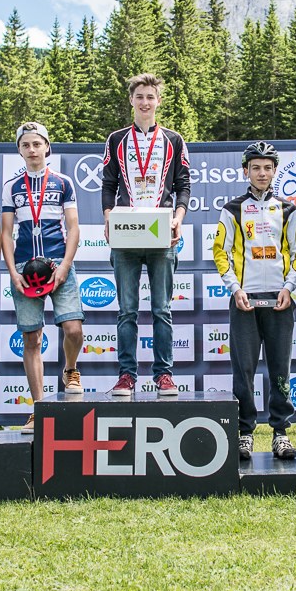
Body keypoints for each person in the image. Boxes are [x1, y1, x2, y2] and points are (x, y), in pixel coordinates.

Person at [212, 141, 296, 461]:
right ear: (246, 171)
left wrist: (289, 287)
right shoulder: (232, 209)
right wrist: (235, 288)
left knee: (280, 370)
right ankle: (245, 433)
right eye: (256, 168)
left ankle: (280, 433)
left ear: (275, 171)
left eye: (267, 167)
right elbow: (220, 252)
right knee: (244, 372)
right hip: (245, 302)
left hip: (279, 300)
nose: (262, 173)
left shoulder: (288, 209)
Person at [100, 73, 190, 396]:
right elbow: (108, 184)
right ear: (131, 100)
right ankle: (127, 375)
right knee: (127, 310)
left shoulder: (174, 140)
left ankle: (164, 375)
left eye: (150, 96)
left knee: (162, 309)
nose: (145, 102)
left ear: (158, 101)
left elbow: (183, 185)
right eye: (139, 96)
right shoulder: (116, 139)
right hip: (126, 234)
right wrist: (108, 218)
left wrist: (178, 218)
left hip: (161, 233)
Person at [0, 122, 84, 433]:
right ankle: (38, 408)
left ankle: (70, 369)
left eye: (37, 144)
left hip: (58, 263)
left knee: (73, 329)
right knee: (32, 338)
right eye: (26, 145)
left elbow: (73, 227)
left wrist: (65, 266)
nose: (32, 149)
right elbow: (6, 233)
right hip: (25, 267)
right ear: (19, 150)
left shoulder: (63, 182)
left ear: (47, 147)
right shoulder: (11, 186)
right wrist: (12, 272)